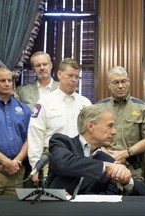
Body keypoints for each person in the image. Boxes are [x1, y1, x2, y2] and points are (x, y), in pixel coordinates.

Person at [27, 58, 92, 186]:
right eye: (70, 76)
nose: (73, 80)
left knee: (78, 199)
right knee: (53, 201)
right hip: (53, 158)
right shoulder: (45, 102)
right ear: (59, 74)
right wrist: (35, 166)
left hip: (79, 158)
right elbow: (36, 134)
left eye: (77, 77)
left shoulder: (86, 103)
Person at [46, 104, 131, 195]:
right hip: (56, 208)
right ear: (91, 126)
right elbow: (64, 164)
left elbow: (110, 195)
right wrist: (104, 166)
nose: (114, 132)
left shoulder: (110, 161)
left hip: (88, 209)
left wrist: (77, 201)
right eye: (110, 126)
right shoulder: (62, 142)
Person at [97, 66, 145, 183]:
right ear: (109, 85)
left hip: (134, 170)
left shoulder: (141, 107)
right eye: (115, 82)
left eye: (123, 81)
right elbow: (92, 138)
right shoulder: (99, 107)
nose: (120, 86)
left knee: (132, 200)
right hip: (106, 167)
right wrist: (111, 157)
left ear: (128, 82)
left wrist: (126, 153)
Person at [0, 67, 31, 196]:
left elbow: (29, 138)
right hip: (0, 167)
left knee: (14, 211)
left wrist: (15, 162)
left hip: (17, 171)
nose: (7, 83)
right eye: (2, 80)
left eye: (9, 80)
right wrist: (6, 162)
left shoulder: (24, 109)